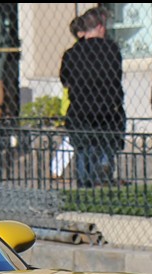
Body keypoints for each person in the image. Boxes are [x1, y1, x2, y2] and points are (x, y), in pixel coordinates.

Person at [59, 6, 125, 189]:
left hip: (80, 109)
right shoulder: (111, 49)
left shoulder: (72, 54)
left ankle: (84, 184)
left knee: (83, 149)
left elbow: (65, 80)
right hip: (108, 109)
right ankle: (102, 177)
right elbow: (117, 76)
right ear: (101, 27)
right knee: (105, 145)